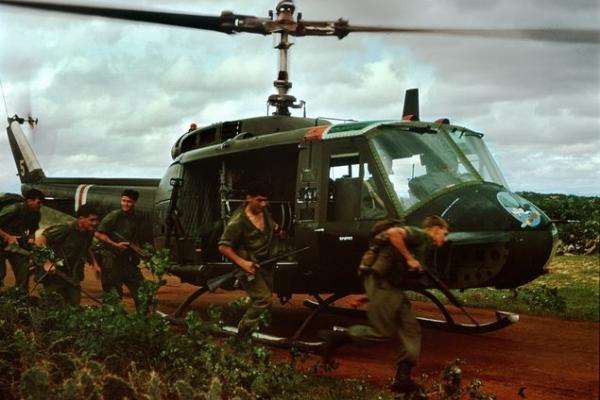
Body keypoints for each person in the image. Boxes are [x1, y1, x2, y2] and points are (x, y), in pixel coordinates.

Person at [320, 215, 449, 396]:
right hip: (383, 284)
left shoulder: (425, 246)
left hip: (388, 287)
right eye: (444, 234)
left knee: (411, 328)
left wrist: (367, 296)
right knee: (383, 332)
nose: (444, 239)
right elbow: (393, 233)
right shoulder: (420, 235)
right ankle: (336, 338)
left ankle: (402, 378)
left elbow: (396, 271)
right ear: (435, 229)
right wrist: (410, 258)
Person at [218, 181, 282, 336]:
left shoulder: (263, 211)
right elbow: (223, 247)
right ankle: (244, 331)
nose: (264, 204)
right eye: (259, 200)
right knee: (263, 300)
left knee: (265, 300)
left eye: (265, 200)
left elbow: (271, 225)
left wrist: (277, 229)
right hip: (249, 267)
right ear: (248, 198)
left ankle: (257, 331)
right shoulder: (238, 221)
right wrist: (243, 263)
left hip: (266, 264)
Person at [35, 203, 100, 305]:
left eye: (97, 220)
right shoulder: (66, 229)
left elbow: (86, 248)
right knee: (54, 307)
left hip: (72, 275)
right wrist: (47, 262)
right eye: (92, 220)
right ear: (81, 219)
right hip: (55, 274)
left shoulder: (89, 232)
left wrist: (94, 264)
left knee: (74, 304)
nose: (95, 223)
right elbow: (40, 240)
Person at [93, 189, 147, 309]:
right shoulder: (114, 216)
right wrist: (115, 244)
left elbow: (137, 238)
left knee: (142, 291)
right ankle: (110, 322)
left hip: (127, 260)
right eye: (123, 200)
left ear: (135, 202)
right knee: (113, 296)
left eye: (129, 201)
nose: (125, 204)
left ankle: (143, 320)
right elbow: (98, 234)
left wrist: (139, 251)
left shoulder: (137, 217)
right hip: (110, 260)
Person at [0, 189, 45, 290]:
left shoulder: (36, 214)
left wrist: (31, 238)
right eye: (38, 202)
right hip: (1, 243)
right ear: (29, 201)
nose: (40, 205)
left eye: (42, 202)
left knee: (23, 271)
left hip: (16, 245)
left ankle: (21, 298)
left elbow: (33, 230)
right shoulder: (14, 208)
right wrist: (7, 236)